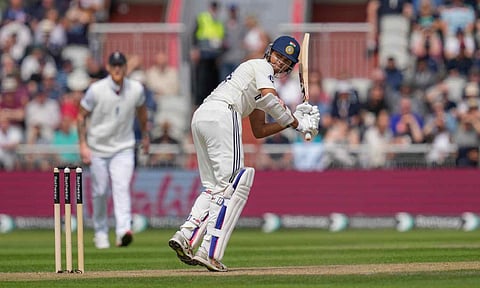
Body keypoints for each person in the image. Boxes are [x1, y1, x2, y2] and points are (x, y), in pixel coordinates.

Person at [168, 35, 320, 272]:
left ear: (289, 68)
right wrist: (298, 124)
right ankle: (210, 251)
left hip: (201, 117)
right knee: (237, 182)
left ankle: (186, 235)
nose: (279, 63)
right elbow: (271, 99)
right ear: (270, 52)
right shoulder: (261, 67)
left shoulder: (258, 79)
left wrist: (294, 121)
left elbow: (259, 130)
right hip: (222, 113)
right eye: (279, 56)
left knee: (214, 187)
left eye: (285, 61)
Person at [77, 51, 150, 249]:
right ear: (108, 68)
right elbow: (81, 116)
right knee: (100, 191)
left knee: (121, 186)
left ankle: (122, 231)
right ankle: (100, 232)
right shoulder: (96, 90)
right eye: (114, 65)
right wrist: (83, 144)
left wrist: (145, 134)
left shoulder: (136, 89)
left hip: (124, 147)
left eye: (121, 65)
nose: (117, 69)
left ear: (126, 68)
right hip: (98, 148)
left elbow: (142, 112)